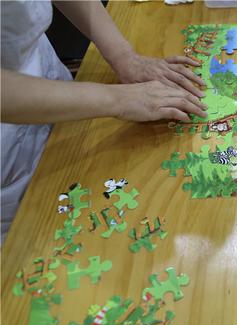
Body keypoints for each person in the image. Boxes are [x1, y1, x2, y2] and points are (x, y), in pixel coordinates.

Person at [0, 1, 207, 243]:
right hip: (7, 149)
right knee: (36, 245)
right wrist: (117, 99)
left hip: (52, 87)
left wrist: (123, 56)